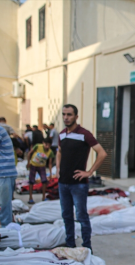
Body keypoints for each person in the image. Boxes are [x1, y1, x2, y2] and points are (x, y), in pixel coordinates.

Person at [56, 104, 107, 251]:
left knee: (81, 216)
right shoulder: (62, 134)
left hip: (78, 184)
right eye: (64, 114)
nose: (66, 117)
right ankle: (70, 244)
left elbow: (102, 153)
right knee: (66, 215)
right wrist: (58, 169)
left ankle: (87, 247)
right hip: (63, 183)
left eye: (69, 114)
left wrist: (89, 171)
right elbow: (59, 151)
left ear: (76, 117)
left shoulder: (85, 134)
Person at [26, 138, 55, 204]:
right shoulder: (38, 146)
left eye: (49, 145)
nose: (47, 146)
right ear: (43, 143)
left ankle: (43, 197)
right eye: (46, 144)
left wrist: (50, 173)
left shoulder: (50, 152)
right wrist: (28, 163)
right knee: (31, 181)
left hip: (42, 167)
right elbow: (29, 153)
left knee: (44, 181)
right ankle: (30, 198)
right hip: (33, 165)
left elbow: (50, 163)